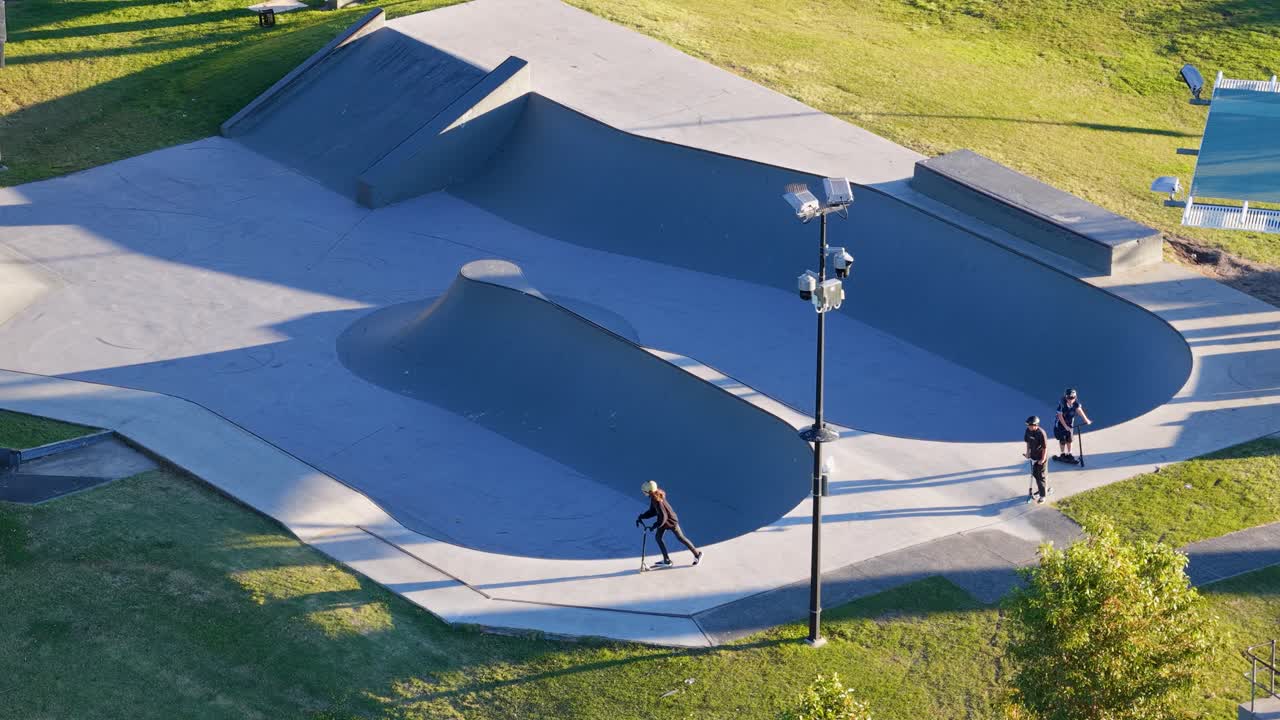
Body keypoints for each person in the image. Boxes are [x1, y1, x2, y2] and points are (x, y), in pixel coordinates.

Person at [636, 480, 703, 568]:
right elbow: (652, 512)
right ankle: (666, 560)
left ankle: (697, 554)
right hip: (663, 521)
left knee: (680, 538)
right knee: (658, 538)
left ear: (650, 491)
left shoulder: (657, 500)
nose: (643, 493)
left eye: (644, 491)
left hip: (670, 521)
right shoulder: (654, 497)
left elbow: (664, 516)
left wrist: (655, 525)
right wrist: (642, 516)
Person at [1053, 388, 1092, 464]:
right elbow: (1060, 416)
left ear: (1075, 397)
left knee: (1069, 439)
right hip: (1061, 424)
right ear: (1066, 397)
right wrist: (1065, 426)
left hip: (1070, 423)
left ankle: (1069, 453)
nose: (1070, 400)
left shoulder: (1076, 403)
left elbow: (1079, 410)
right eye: (1069, 398)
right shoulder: (1062, 404)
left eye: (1072, 398)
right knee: (1062, 440)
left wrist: (1086, 420)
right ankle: (1062, 454)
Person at [1024, 415, 1050, 504]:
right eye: (1028, 425)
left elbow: (1044, 448)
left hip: (1041, 457)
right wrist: (1028, 453)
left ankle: (1043, 496)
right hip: (1033, 457)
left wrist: (1042, 459)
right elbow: (1028, 442)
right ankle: (1042, 489)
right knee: (1035, 474)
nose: (1028, 427)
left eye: (1030, 425)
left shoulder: (1041, 433)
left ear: (1036, 425)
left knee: (1041, 476)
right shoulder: (1028, 430)